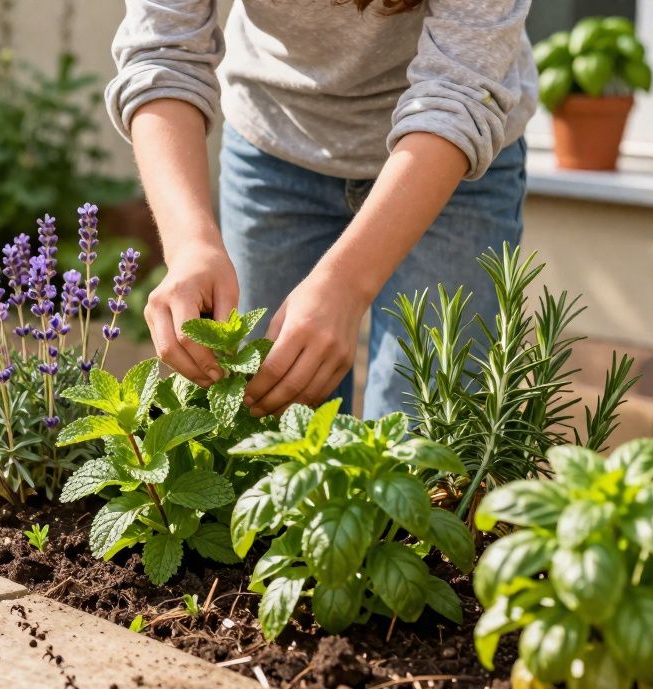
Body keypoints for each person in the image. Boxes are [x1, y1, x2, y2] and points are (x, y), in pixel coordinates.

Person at [106, 0, 535, 418]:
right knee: (272, 441)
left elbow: (459, 92)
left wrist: (346, 287)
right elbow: (161, 52)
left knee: (428, 445)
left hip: (448, 169)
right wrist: (189, 246)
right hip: (273, 152)